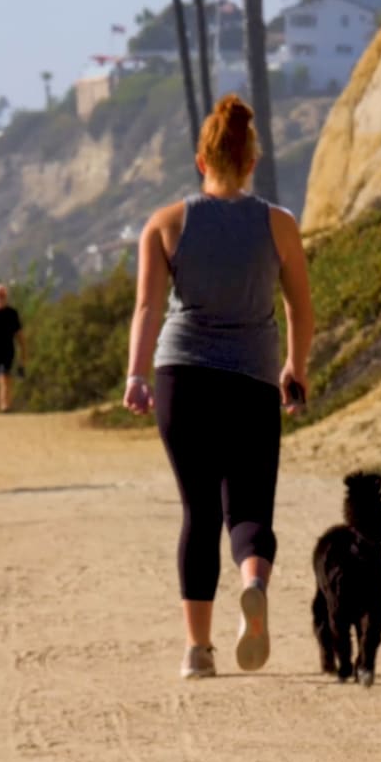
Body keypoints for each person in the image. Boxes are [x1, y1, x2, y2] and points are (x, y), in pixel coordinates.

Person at [122, 94, 315, 680]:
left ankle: (197, 652)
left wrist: (135, 374)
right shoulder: (278, 224)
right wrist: (296, 369)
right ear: (251, 160)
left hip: (182, 375)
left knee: (198, 511)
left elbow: (148, 307)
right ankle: (253, 584)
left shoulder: (166, 223)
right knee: (250, 506)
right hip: (253, 376)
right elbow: (301, 309)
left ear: (200, 162)